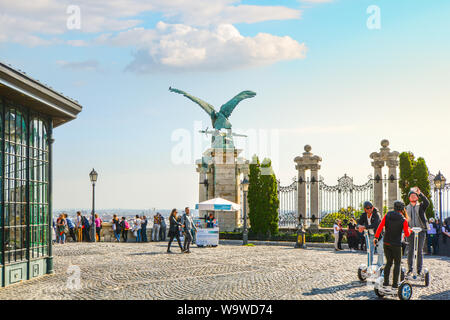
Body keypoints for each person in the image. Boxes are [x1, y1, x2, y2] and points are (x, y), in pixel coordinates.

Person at [374, 200, 411, 290]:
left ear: (394, 207)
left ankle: (386, 283)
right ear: (402, 209)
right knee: (397, 264)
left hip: (386, 243)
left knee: (389, 263)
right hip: (396, 245)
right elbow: (407, 234)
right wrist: (410, 230)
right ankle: (395, 285)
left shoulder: (387, 215)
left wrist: (376, 237)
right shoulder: (403, 220)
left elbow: (380, 226)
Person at [405, 187, 429, 277]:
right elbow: (405, 221)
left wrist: (420, 193)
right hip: (411, 232)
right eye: (411, 196)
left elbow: (427, 203)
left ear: (417, 197)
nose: (413, 197)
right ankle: (410, 270)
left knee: (419, 251)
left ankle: (419, 270)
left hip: (421, 231)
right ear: (409, 198)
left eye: (415, 195)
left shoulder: (421, 206)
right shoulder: (406, 208)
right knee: (410, 250)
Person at [357, 201, 383, 267]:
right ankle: (369, 266)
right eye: (367, 208)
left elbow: (375, 224)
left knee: (380, 251)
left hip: (378, 235)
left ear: (373, 207)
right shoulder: (363, 215)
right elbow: (359, 223)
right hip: (370, 235)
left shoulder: (376, 214)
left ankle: (379, 266)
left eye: (371, 208)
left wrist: (364, 227)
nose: (369, 209)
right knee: (369, 251)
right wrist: (359, 227)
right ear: (365, 209)